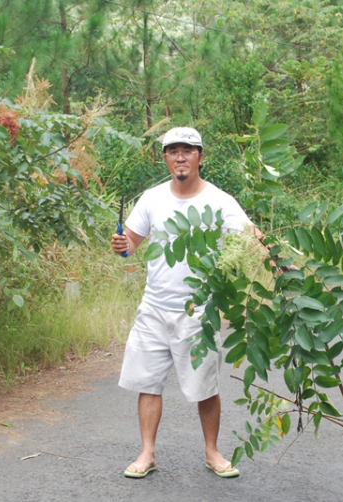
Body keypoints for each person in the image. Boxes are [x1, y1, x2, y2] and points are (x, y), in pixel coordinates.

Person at [111, 126, 251, 479]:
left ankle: (212, 452)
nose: (180, 156)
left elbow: (252, 237)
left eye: (187, 150)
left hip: (199, 312)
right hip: (154, 308)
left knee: (205, 386)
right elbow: (131, 243)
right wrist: (121, 245)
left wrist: (280, 262)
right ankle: (147, 453)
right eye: (173, 150)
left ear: (200, 157)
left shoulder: (220, 201)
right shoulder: (152, 198)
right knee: (148, 382)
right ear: (165, 158)